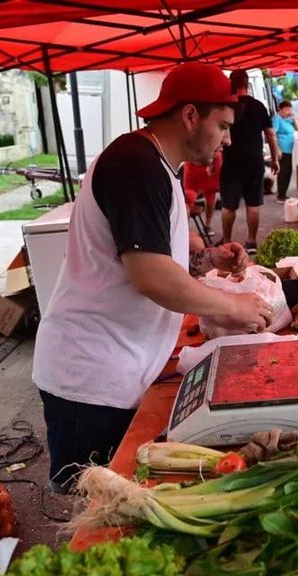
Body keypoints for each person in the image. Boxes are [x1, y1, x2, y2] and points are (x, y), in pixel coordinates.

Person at [32, 63, 274, 494]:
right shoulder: (134, 164)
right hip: (89, 378)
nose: (228, 140)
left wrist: (207, 257)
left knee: (119, 502)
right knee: (92, 512)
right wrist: (234, 306)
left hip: (121, 364)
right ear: (189, 116)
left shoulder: (157, 166)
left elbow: (155, 256)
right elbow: (151, 276)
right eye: (222, 126)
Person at [219, 69, 280, 254]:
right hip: (254, 161)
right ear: (247, 83)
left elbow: (219, 132)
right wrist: (275, 158)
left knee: (228, 206)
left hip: (230, 161)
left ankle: (227, 241)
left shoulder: (226, 106)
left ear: (231, 83)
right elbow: (270, 134)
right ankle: (252, 243)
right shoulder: (259, 106)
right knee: (253, 204)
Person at [183, 149, 222, 236]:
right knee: (189, 197)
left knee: (209, 196)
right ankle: (186, 228)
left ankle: (186, 229)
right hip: (196, 164)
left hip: (205, 162)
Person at [272, 100, 298, 204]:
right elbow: (272, 134)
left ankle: (283, 194)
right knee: (283, 172)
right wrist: (277, 149)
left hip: (290, 149)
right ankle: (280, 195)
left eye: (290, 109)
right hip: (282, 149)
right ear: (280, 109)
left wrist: (294, 118)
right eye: (287, 109)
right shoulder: (277, 119)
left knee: (288, 171)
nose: (288, 112)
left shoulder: (287, 120)